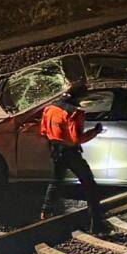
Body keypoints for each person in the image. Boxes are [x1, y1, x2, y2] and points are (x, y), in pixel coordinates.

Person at [39, 86, 107, 232]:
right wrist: (95, 131)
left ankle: (45, 214)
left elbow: (43, 131)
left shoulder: (49, 109)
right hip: (70, 152)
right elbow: (77, 139)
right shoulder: (75, 113)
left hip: (56, 150)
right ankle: (97, 224)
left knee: (55, 183)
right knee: (89, 184)